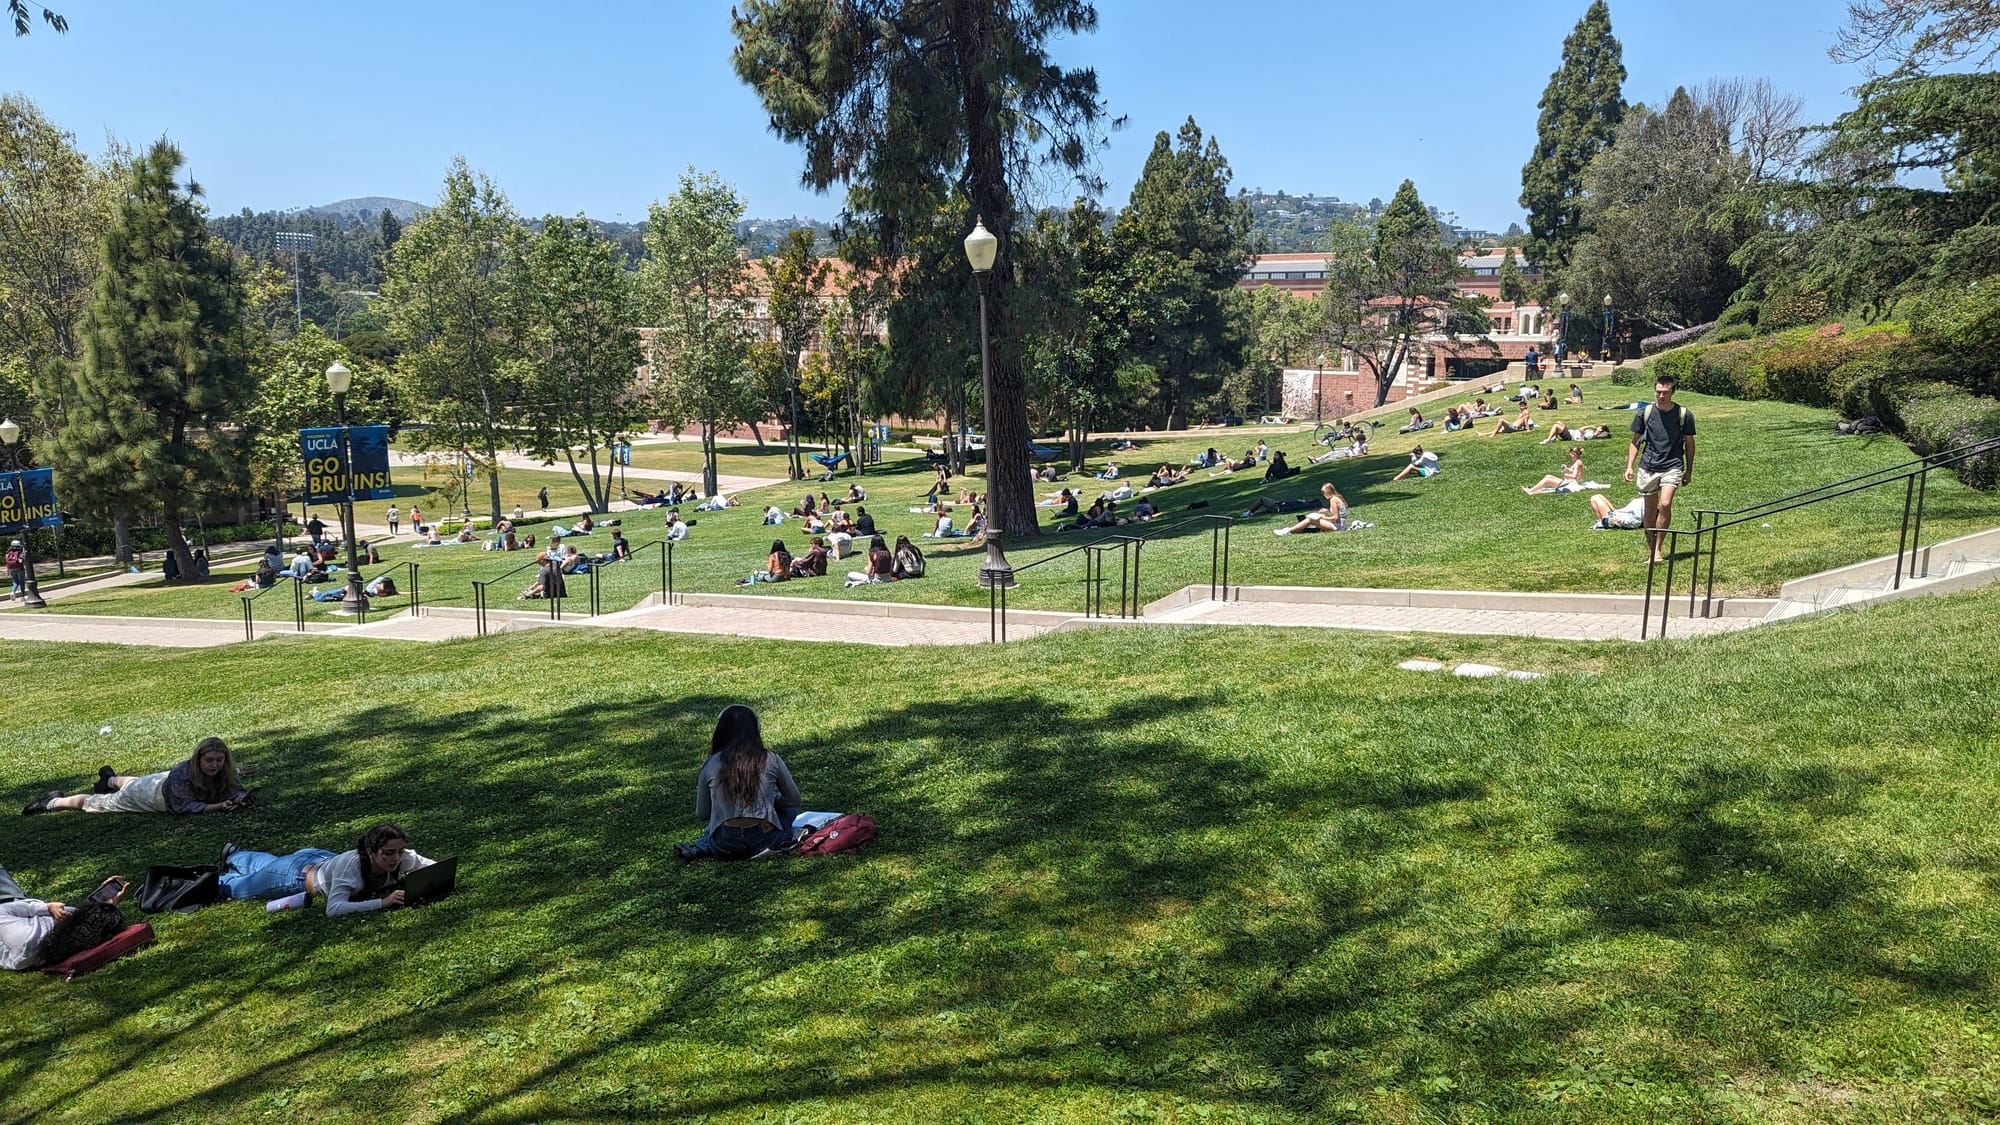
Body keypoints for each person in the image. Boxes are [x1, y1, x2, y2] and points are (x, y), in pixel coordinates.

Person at [674, 706, 803, 862]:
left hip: (724, 845)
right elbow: (794, 800)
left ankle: (702, 846)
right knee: (789, 810)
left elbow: (703, 813)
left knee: (717, 821)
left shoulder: (710, 763)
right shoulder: (770, 758)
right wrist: (774, 801)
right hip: (766, 840)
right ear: (756, 729)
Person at [25, 737, 248, 816]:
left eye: (219, 760)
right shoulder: (183, 773)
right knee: (100, 803)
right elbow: (183, 807)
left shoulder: (226, 770)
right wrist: (219, 807)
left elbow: (235, 788)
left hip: (160, 780)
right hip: (152, 797)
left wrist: (240, 798)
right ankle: (52, 802)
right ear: (198, 760)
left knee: (135, 782)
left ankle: (109, 779)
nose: (215, 765)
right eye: (209, 760)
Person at [1, 865, 133, 970]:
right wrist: (108, 904)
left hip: (9, 900)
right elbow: (92, 923)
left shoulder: (29, 939)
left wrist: (48, 907)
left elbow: (7, 910)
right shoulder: (67, 942)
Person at [1625, 374, 1697, 564]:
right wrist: (1629, 466)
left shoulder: (1683, 414)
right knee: (1650, 510)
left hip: (1673, 464)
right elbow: (1635, 441)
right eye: (1658, 392)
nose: (1661, 396)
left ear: (1673, 392)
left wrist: (1689, 470)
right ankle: (1652, 550)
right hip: (1648, 465)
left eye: (1665, 392)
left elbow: (1690, 443)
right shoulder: (1645, 413)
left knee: (1664, 504)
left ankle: (1657, 549)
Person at [317, 823, 437, 917]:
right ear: (370, 851)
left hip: (330, 859)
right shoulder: (349, 868)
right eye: (389, 852)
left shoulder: (404, 857)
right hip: (310, 869)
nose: (396, 858)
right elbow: (333, 909)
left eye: (401, 851)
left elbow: (438, 868)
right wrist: (383, 902)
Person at [1274, 482, 1355, 535]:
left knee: (1311, 519)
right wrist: (1327, 512)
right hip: (1341, 524)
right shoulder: (1337, 498)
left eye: (1324, 492)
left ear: (1328, 492)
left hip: (1338, 526)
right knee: (1310, 519)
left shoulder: (1333, 500)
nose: (1323, 495)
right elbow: (1339, 515)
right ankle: (1291, 530)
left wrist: (1323, 517)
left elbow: (1335, 518)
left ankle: (1287, 530)